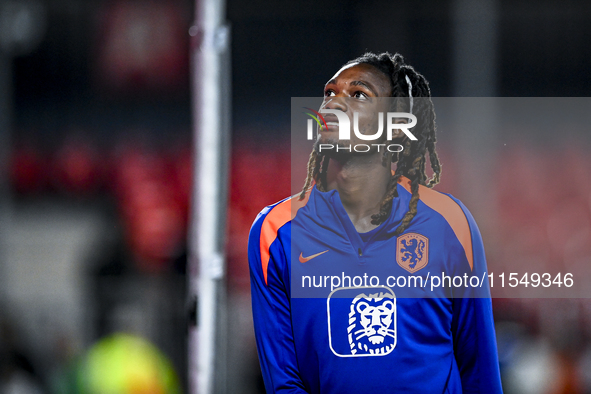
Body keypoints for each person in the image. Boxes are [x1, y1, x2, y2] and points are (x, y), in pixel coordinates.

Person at [248, 52, 503, 393]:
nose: (333, 104)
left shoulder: (449, 225)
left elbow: (480, 371)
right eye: (329, 93)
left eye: (358, 94)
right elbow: (284, 382)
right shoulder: (274, 234)